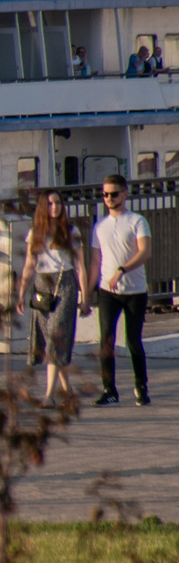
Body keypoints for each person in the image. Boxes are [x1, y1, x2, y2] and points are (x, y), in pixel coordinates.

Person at [88, 173, 151, 406]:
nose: (108, 198)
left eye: (113, 194)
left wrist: (122, 270)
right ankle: (109, 389)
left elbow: (145, 252)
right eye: (105, 194)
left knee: (133, 341)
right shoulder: (100, 226)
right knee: (106, 340)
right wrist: (86, 295)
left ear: (124, 194)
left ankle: (141, 387)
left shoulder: (137, 221)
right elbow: (95, 262)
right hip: (107, 291)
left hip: (134, 290)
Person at [20, 193, 82, 405]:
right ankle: (68, 391)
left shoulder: (71, 231)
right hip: (41, 286)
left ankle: (49, 396)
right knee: (51, 341)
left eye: (57, 202)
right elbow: (29, 265)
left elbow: (80, 265)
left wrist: (85, 295)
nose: (54, 207)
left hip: (64, 285)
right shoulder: (35, 233)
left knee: (56, 339)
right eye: (49, 203)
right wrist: (21, 293)